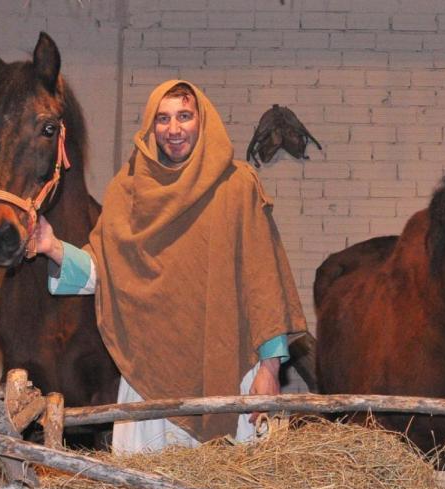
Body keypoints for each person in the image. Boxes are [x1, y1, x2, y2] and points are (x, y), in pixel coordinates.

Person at [30, 80, 307, 454]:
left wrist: (269, 369)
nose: (173, 129)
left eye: (184, 116)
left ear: (201, 121)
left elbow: (263, 281)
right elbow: (106, 273)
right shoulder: (127, 191)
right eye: (162, 118)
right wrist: (52, 247)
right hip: (150, 376)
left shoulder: (236, 187)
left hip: (229, 367)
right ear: (150, 126)